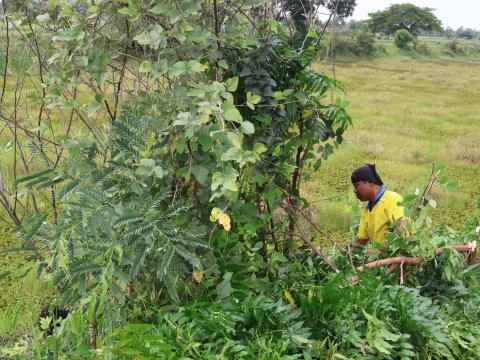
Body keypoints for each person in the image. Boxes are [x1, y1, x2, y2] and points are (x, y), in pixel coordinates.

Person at [350, 164, 405, 250]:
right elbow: (361, 241)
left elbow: (403, 228)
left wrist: (380, 250)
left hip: (396, 256)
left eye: (357, 185)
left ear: (370, 182)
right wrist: (347, 250)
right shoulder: (367, 210)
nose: (354, 190)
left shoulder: (392, 199)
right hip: (379, 259)